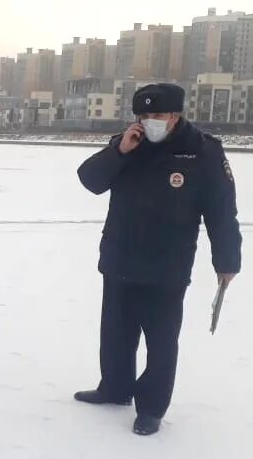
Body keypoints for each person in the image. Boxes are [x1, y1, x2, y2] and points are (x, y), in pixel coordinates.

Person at [75, 83, 241, 436]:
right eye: (144, 115)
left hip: (167, 264)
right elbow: (90, 180)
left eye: (158, 115)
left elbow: (222, 212)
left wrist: (227, 260)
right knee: (116, 332)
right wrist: (119, 151)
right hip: (120, 256)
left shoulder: (203, 152)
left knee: (161, 340)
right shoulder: (127, 144)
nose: (150, 121)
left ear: (175, 115)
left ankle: (150, 407)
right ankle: (115, 388)